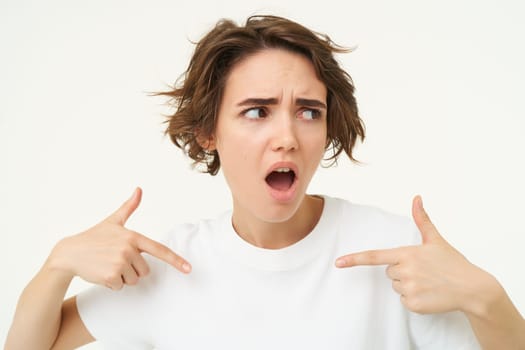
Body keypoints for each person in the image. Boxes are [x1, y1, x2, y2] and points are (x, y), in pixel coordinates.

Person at [5, 15, 525, 350]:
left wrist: (487, 296)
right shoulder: (169, 267)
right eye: (257, 111)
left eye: (308, 112)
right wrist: (57, 265)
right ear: (209, 132)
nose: (287, 137)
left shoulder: (395, 254)